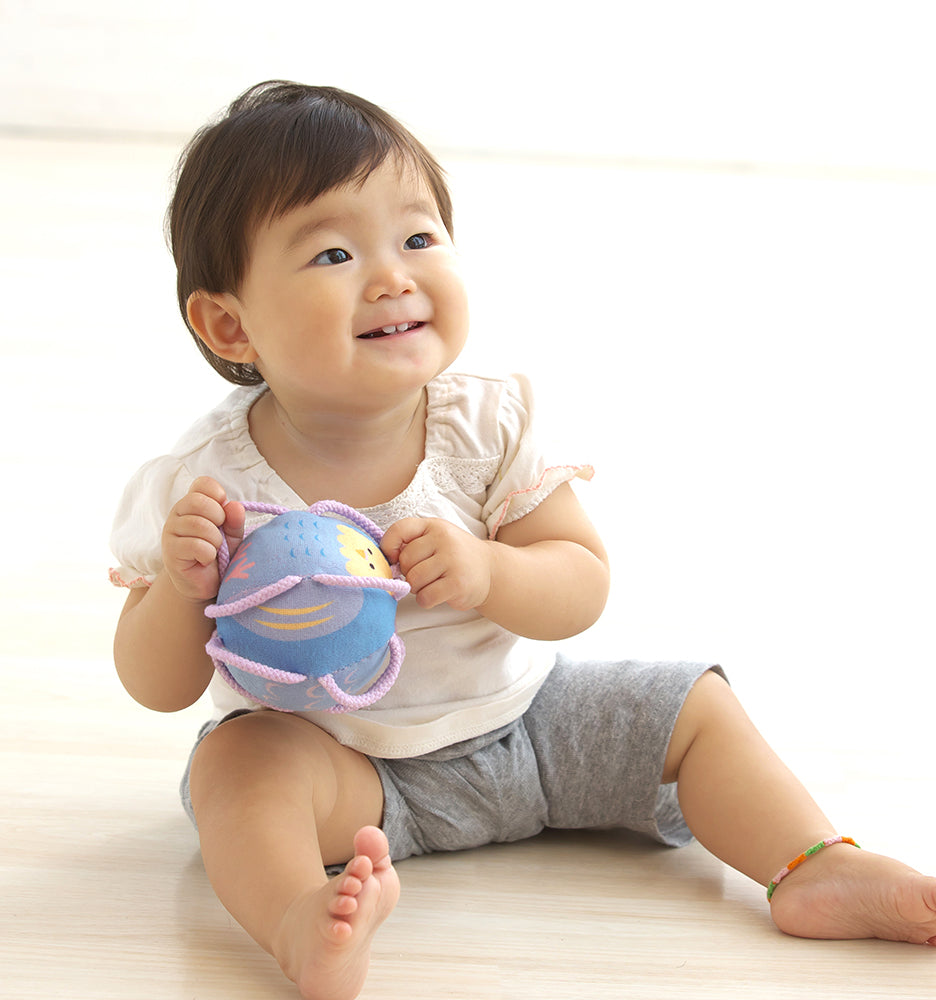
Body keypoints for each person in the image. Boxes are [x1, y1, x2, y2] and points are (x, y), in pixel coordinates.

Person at [110, 81, 936, 1000]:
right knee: (237, 766)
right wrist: (183, 589)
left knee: (695, 703)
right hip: (349, 768)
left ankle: (812, 865)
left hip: (535, 728)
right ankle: (299, 921)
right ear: (230, 324)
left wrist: (490, 571)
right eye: (335, 253)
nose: (394, 277)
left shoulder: (485, 424)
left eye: (418, 238)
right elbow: (157, 686)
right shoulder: (208, 483)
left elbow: (582, 583)